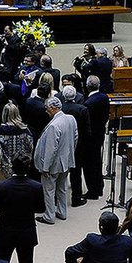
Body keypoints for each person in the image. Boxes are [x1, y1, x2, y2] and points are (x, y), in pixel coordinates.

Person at [34, 96, 77, 225]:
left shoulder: (54, 125)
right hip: (66, 161)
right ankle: (62, 212)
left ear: (53, 108)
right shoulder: (71, 119)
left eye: (47, 108)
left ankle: (49, 216)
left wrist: (45, 168)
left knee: (49, 190)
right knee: (62, 188)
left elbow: (50, 149)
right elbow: (75, 138)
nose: (46, 111)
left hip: (54, 164)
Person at [65, 212, 132, 263]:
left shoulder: (92, 239)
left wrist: (76, 260)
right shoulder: (127, 241)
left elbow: (69, 252)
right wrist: (117, 233)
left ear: (101, 227)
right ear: (118, 227)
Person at [60, 85, 92, 207]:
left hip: (62, 143)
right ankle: (76, 198)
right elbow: (87, 130)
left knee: (60, 171)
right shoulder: (82, 109)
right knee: (76, 172)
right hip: (78, 145)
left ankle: (58, 199)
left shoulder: (61, 109)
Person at [83, 75, 109, 199]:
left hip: (90, 136)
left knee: (89, 164)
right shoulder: (105, 97)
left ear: (87, 86)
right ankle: (99, 187)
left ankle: (92, 190)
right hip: (100, 133)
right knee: (97, 161)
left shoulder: (88, 103)